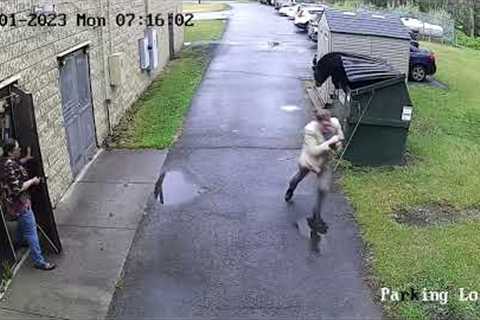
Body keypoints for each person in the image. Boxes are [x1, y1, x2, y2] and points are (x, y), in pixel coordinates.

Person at [0, 138, 55, 271]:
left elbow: (14, 166)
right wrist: (33, 181)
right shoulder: (9, 166)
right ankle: (39, 261)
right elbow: (17, 188)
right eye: (17, 148)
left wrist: (25, 159)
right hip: (20, 203)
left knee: (22, 223)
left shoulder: (4, 162)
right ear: (11, 152)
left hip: (12, 204)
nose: (19, 149)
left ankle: (19, 241)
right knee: (31, 232)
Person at [284, 108, 344, 231]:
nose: (328, 126)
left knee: (323, 189)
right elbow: (314, 151)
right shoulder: (310, 130)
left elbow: (340, 138)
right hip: (309, 160)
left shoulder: (335, 123)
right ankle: (290, 189)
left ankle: (316, 214)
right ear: (318, 122)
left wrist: (337, 145)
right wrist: (330, 142)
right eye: (324, 124)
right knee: (299, 177)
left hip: (324, 162)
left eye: (329, 123)